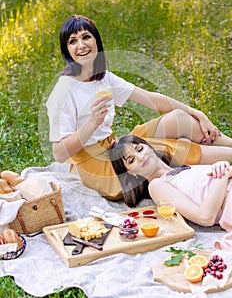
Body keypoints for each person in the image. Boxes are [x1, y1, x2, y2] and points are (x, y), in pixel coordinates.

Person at [46, 14, 232, 201]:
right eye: (73, 41)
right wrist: (92, 124)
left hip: (115, 146)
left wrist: (197, 113)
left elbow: (150, 99)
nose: (81, 45)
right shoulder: (63, 92)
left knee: (179, 118)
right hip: (98, 166)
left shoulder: (102, 77)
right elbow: (60, 153)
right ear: (67, 50)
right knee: (167, 148)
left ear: (96, 41)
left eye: (86, 37)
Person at [109, 135, 232, 250]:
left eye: (140, 149)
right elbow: (205, 217)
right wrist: (223, 176)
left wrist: (223, 169)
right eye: (131, 160)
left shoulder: (184, 168)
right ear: (131, 173)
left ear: (149, 147)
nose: (141, 157)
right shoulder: (157, 185)